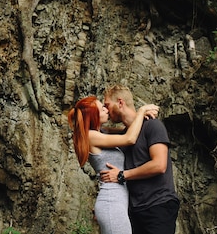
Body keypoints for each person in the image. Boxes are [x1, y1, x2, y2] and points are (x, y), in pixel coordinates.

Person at [68, 96, 159, 234]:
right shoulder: (91, 136)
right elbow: (129, 138)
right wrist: (142, 111)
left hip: (117, 202)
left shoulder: (101, 133)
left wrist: (138, 117)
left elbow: (129, 130)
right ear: (94, 116)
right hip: (111, 202)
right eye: (101, 108)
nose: (106, 110)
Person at [100, 84, 180, 234]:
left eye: (107, 105)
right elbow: (98, 131)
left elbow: (159, 165)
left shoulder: (152, 126)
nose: (106, 110)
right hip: (135, 211)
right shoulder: (124, 137)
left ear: (120, 102)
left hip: (159, 205)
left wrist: (122, 175)